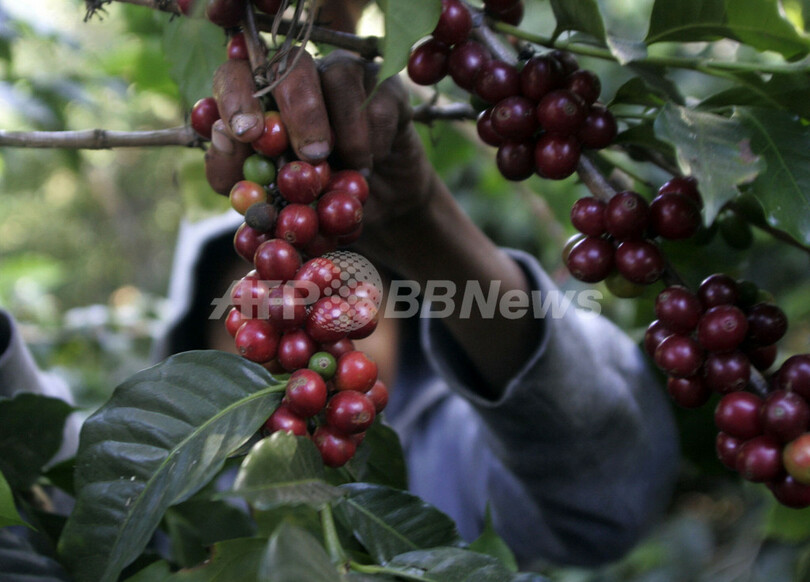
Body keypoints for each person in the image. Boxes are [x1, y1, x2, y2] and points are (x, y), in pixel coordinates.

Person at [0, 0, 680, 572]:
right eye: (257, 298)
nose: (311, 312)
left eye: (345, 293)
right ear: (200, 338)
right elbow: (67, 503)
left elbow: (608, 496)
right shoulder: (171, 487)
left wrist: (422, 225)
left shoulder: (449, 451)